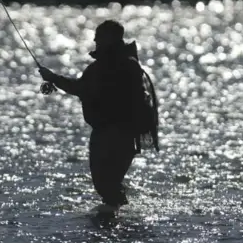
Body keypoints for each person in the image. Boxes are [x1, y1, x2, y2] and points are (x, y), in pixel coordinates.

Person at [38, 19, 156, 213]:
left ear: (109, 39)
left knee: (104, 182)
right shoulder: (129, 64)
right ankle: (121, 218)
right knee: (110, 183)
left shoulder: (107, 67)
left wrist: (53, 78)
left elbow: (79, 88)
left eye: (98, 37)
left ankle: (114, 220)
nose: (95, 40)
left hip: (111, 134)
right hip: (127, 135)